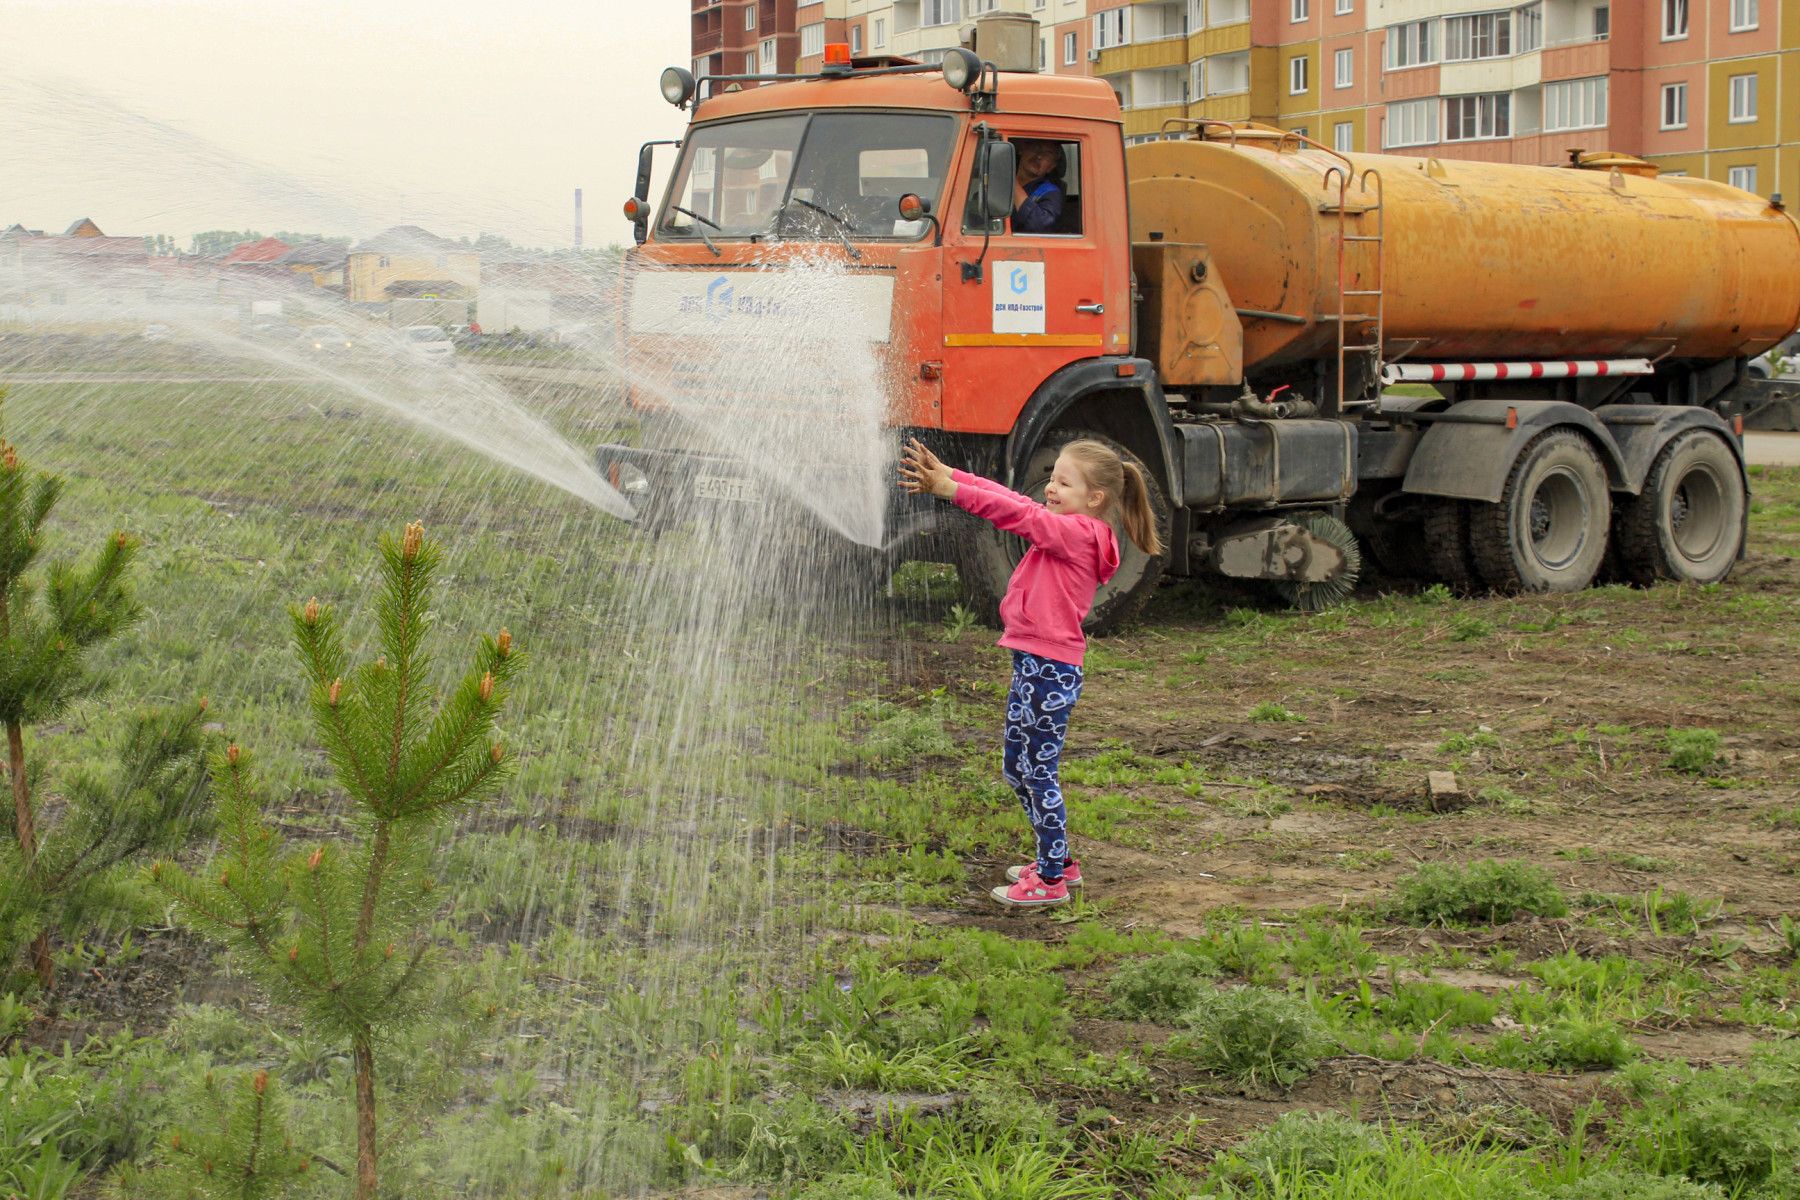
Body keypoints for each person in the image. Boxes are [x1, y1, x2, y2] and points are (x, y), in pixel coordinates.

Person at [898, 438, 1163, 907]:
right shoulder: (1069, 524)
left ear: (1095, 498)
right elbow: (1019, 502)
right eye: (1053, 478)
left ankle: (1050, 880)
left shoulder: (1082, 533)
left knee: (1037, 773)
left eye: (1064, 482)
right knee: (1015, 768)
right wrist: (954, 476)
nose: (1051, 488)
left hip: (1050, 670)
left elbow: (1021, 518)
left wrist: (949, 493)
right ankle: (1057, 860)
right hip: (1033, 663)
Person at [1011, 140, 1065, 234]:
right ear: (1021, 150)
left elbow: (1040, 225)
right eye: (1036, 148)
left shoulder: (1051, 192)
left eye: (1048, 153)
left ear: (1051, 166)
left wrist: (1012, 183)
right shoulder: (998, 181)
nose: (1039, 156)